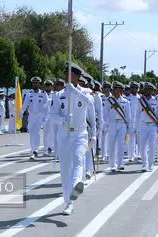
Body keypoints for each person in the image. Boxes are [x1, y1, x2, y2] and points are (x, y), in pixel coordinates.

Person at [50, 62, 96, 215]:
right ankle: (68, 202)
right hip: (64, 134)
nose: (66, 77)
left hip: (80, 134)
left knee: (78, 160)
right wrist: (62, 120)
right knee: (65, 169)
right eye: (65, 74)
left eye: (70, 74)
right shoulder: (58, 95)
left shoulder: (86, 93)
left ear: (76, 77)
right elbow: (52, 115)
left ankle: (76, 185)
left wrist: (75, 92)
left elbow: (91, 106)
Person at [103, 81, 132, 172]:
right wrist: (105, 126)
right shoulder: (109, 101)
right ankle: (112, 164)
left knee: (120, 145)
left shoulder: (125, 101)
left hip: (122, 124)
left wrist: (129, 128)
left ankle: (119, 164)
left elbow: (128, 115)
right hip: (112, 124)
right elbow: (105, 114)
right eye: (114, 88)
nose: (115, 90)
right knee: (111, 145)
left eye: (117, 88)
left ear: (120, 90)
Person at [135, 82, 158, 171]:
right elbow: (137, 114)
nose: (147, 91)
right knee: (142, 147)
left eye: (149, 89)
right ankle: (144, 164)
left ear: (151, 91)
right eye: (146, 89)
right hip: (143, 125)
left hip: (152, 126)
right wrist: (137, 127)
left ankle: (150, 164)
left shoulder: (156, 101)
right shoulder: (140, 101)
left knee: (152, 145)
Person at [20, 77, 48, 157]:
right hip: (31, 116)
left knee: (36, 132)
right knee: (31, 132)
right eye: (34, 83)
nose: (35, 84)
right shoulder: (29, 94)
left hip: (39, 116)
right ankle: (33, 148)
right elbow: (25, 104)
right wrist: (21, 113)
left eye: (36, 83)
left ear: (39, 84)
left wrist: (45, 116)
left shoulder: (43, 94)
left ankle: (36, 149)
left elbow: (46, 106)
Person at [43, 80, 55, 155]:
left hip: (52, 116)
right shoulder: (42, 94)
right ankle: (46, 148)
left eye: (49, 85)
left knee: (52, 133)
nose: (48, 86)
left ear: (52, 86)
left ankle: (51, 147)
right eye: (46, 85)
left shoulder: (55, 94)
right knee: (45, 133)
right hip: (45, 116)